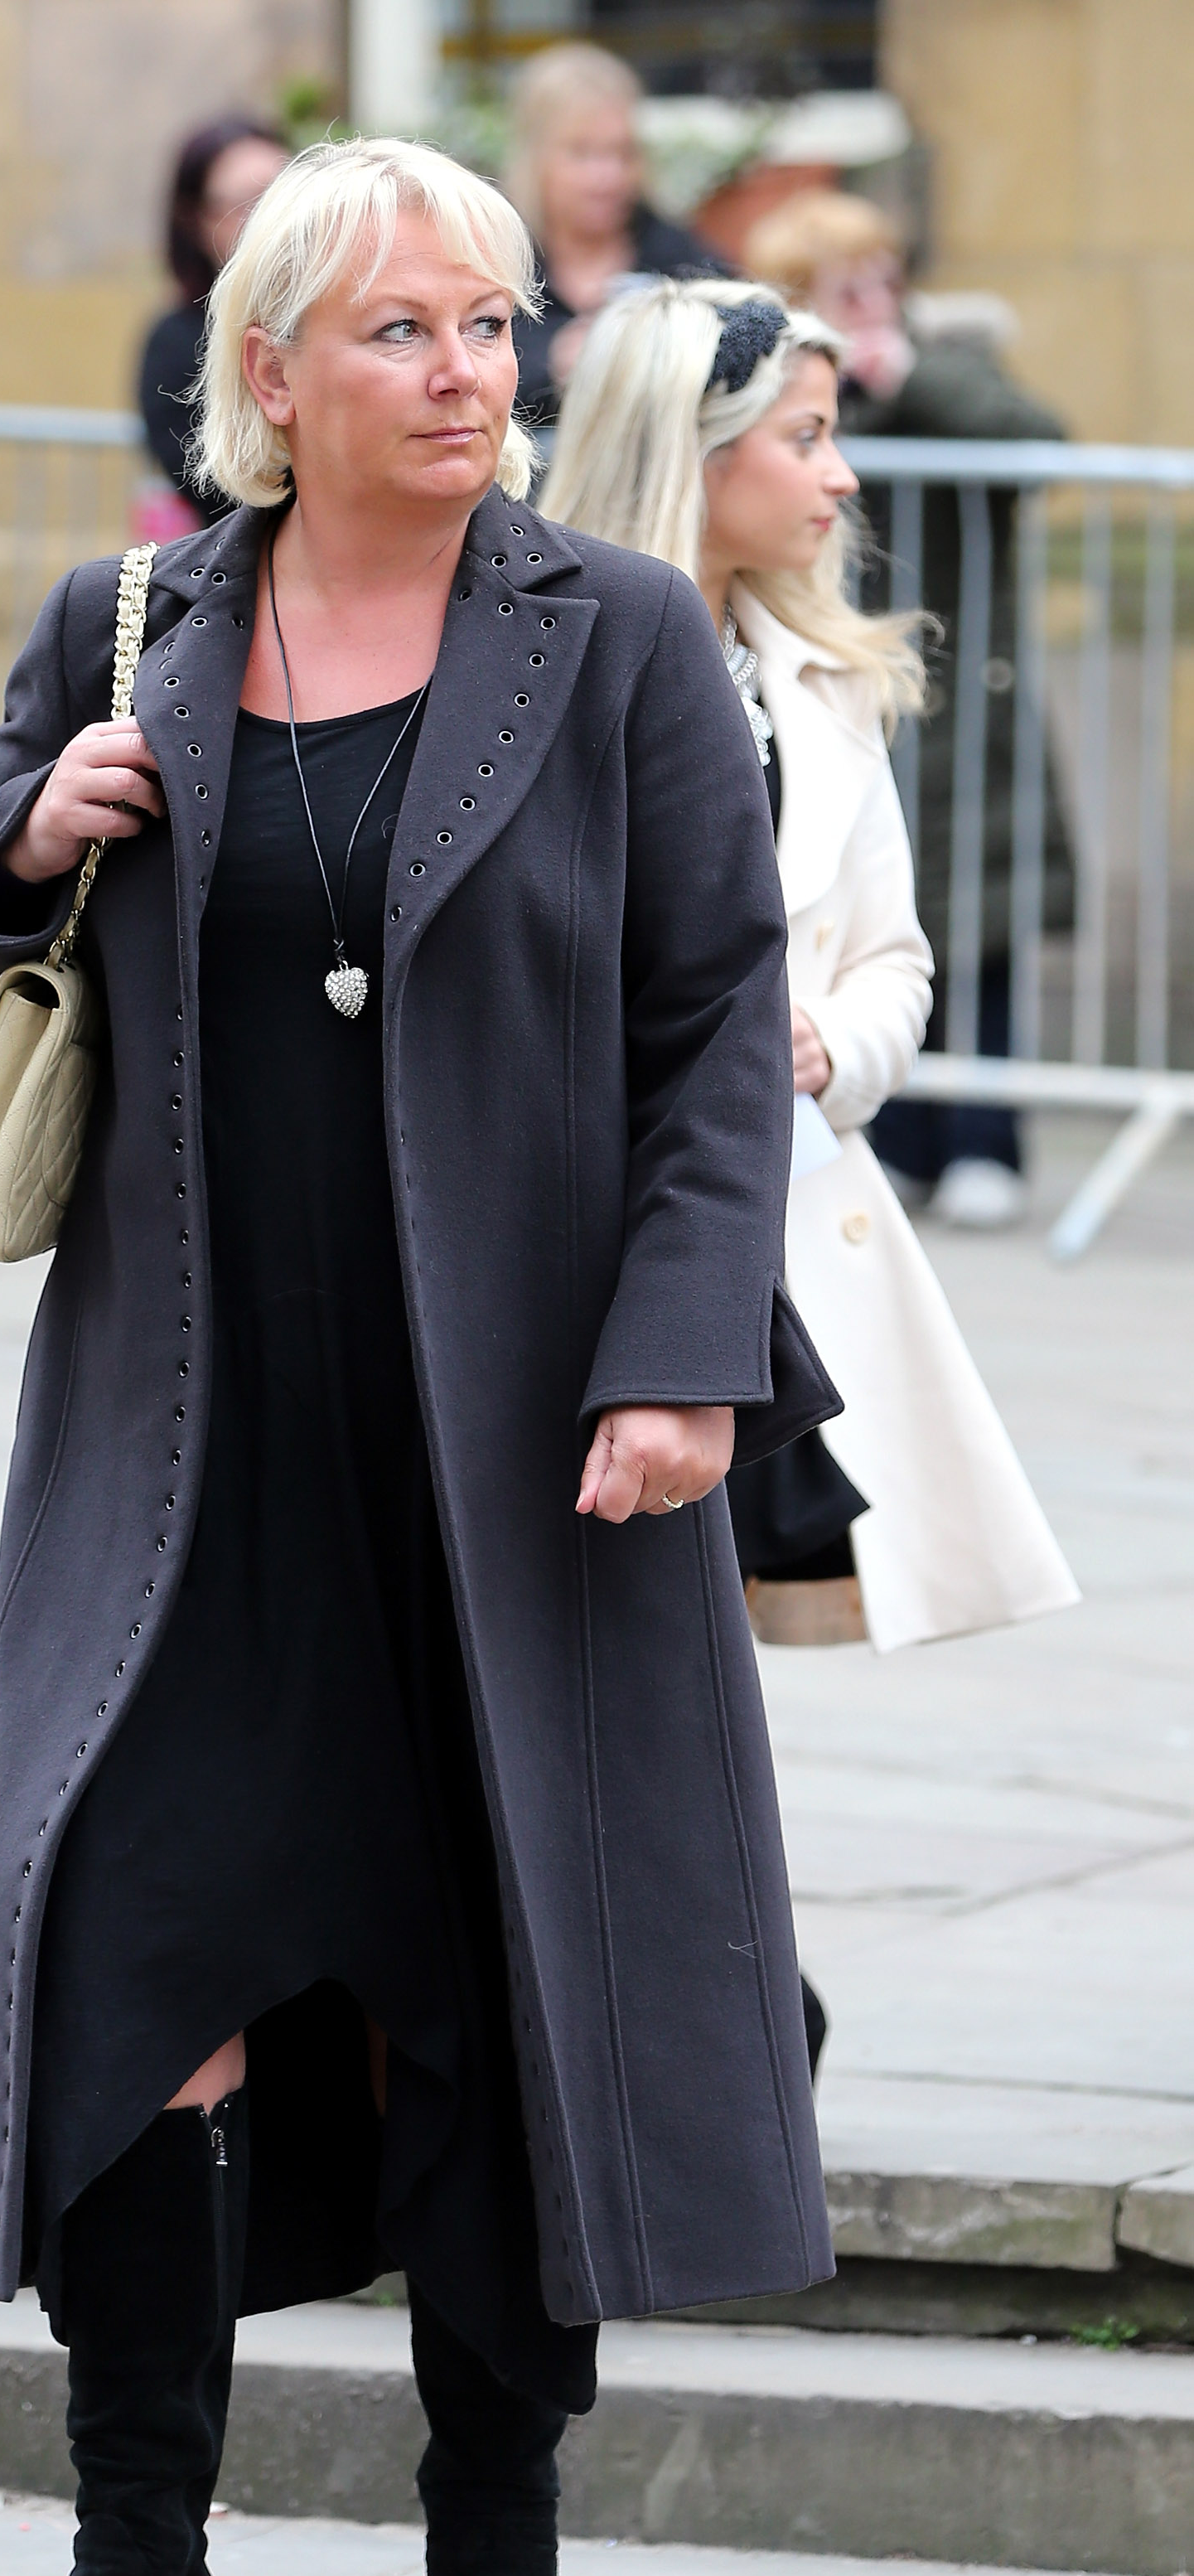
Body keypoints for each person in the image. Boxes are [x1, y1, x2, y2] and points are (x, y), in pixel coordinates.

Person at [0, 140, 838, 2576]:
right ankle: (130, 2560)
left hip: (515, 1460)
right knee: (134, 1966)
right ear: (271, 368)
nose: (466, 371)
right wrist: (27, 827)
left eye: (492, 323)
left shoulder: (617, 635)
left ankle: (490, 2542)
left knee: (483, 1998)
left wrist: (677, 1365)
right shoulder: (142, 614)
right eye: (404, 329)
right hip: (187, 1450)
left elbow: (707, 1027)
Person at [542, 277, 1079, 1665]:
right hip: (565, 1225)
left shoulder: (826, 678)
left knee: (691, 1649)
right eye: (804, 436)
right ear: (690, 446)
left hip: (757, 1237)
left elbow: (896, 965)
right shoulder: (533, 659)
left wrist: (824, 1048)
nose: (839, 475)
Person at [745, 190, 1075, 1228]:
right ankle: (900, 1141)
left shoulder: (943, 363)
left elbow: (1038, 438)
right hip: (839, 685)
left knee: (975, 924)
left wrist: (910, 369)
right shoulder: (777, 395)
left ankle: (988, 1140)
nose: (875, 299)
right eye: (846, 284)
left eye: (884, 275)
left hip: (958, 694)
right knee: (864, 920)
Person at [505, 42, 728, 429]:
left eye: (623, 153)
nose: (608, 177)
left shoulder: (679, 257)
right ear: (535, 156)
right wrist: (551, 364)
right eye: (583, 153)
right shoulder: (495, 262)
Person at [136, 113, 289, 532]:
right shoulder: (176, 340)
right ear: (198, 222)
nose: (270, 221)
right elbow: (204, 478)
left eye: (285, 197)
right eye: (246, 205)